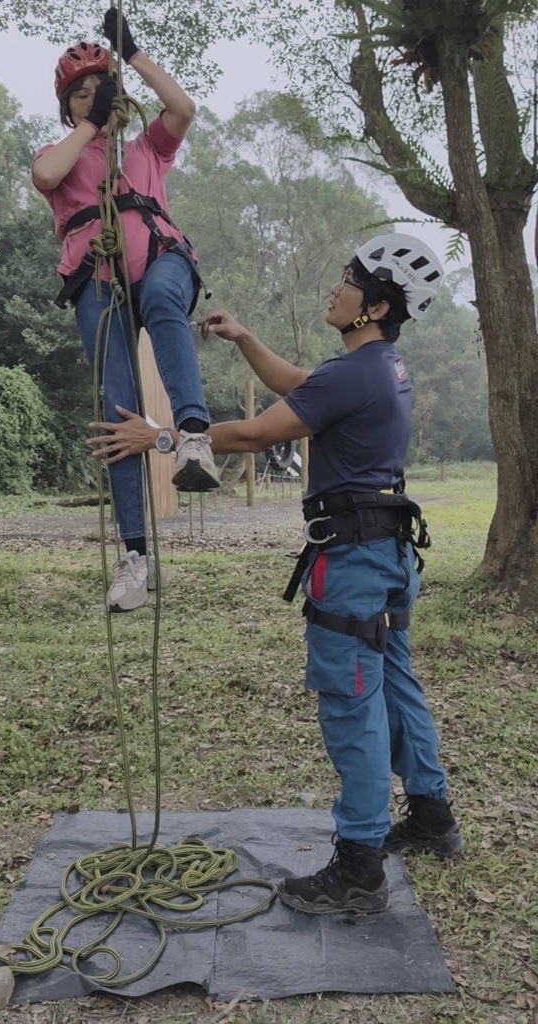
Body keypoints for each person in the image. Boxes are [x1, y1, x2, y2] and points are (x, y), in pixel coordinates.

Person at [86, 233, 464, 915]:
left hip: (351, 562)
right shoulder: (382, 366)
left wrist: (162, 437)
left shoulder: (358, 373)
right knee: (396, 684)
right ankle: (433, 817)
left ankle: (358, 870)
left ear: (373, 305)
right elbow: (298, 386)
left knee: (353, 703)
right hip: (387, 554)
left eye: (348, 280)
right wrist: (245, 338)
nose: (335, 287)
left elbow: (261, 433)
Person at [32, 7, 219, 614]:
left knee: (166, 297)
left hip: (159, 261)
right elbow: (46, 173)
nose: (93, 98)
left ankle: (193, 435)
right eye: (80, 94)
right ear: (69, 108)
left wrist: (132, 53)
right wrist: (91, 124)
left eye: (101, 89)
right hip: (99, 280)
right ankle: (137, 556)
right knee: (119, 413)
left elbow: (183, 108)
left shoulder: (146, 149)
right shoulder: (67, 152)